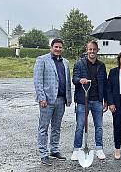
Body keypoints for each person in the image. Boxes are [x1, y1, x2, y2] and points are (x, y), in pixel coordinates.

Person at [34, 38, 72, 166]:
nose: (58, 49)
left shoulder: (65, 62)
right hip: (47, 100)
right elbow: (38, 80)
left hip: (61, 100)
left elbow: (67, 82)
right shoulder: (42, 60)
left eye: (60, 47)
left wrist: (68, 98)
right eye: (56, 47)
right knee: (43, 128)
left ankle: (54, 150)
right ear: (51, 47)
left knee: (56, 127)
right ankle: (43, 154)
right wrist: (41, 98)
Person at [71, 41, 108, 161]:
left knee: (99, 126)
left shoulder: (101, 65)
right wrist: (80, 80)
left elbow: (105, 83)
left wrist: (105, 100)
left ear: (98, 50)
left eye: (94, 49)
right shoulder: (79, 64)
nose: (92, 52)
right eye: (90, 49)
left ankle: (99, 149)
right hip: (83, 100)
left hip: (97, 100)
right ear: (87, 50)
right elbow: (74, 79)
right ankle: (77, 150)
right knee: (80, 126)